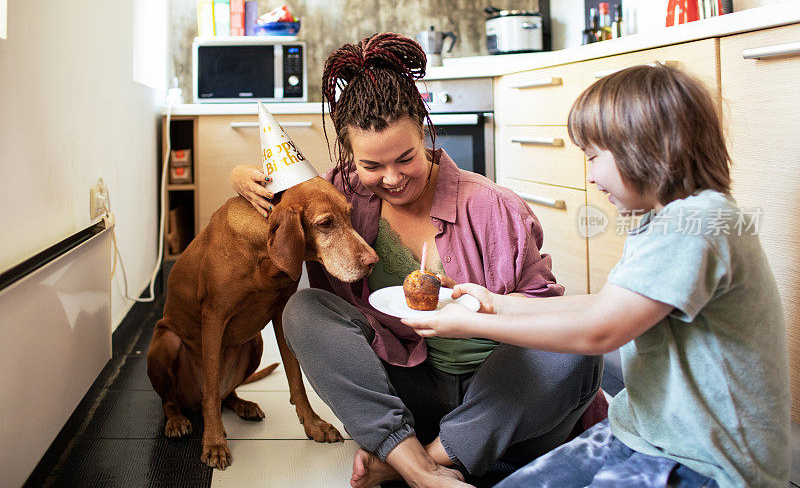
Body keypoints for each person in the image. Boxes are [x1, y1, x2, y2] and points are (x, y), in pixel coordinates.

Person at [231, 33, 606, 488]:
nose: (391, 179)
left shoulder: (491, 207)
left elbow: (546, 318)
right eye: (372, 166)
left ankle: (421, 462)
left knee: (579, 349)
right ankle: (412, 457)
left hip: (502, 404)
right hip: (410, 396)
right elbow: (285, 205)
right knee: (304, 311)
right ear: (349, 157)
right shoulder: (342, 196)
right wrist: (241, 178)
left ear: (424, 128)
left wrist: (477, 319)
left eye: (405, 157)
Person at [403, 64, 791, 487]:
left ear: (644, 149)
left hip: (705, 461)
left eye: (592, 156)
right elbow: (607, 302)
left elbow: (599, 332)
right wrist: (498, 303)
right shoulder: (666, 221)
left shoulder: (696, 224)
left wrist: (469, 323)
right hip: (644, 434)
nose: (589, 175)